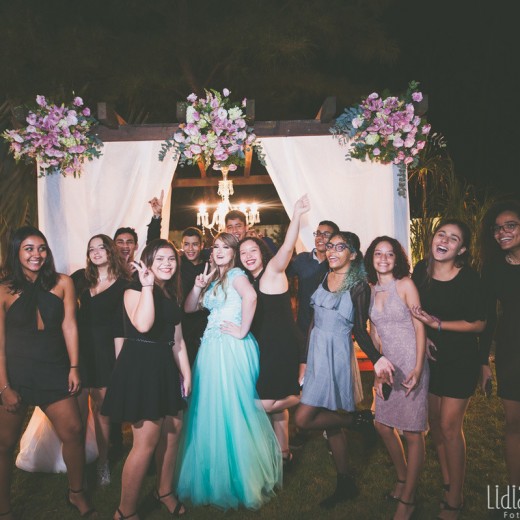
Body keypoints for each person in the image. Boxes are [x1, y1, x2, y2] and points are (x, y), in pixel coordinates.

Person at [176, 232, 282, 510]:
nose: (220, 250)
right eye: (216, 247)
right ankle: (217, 475)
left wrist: (243, 330)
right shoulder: (213, 278)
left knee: (235, 408)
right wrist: (198, 286)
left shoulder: (236, 274)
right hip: (211, 349)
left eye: (226, 247)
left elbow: (251, 297)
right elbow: (189, 308)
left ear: (234, 252)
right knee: (212, 409)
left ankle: (243, 478)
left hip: (231, 348)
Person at [0, 226, 97, 519]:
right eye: (29, 248)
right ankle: (3, 506)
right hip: (16, 374)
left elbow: (70, 326)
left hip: (54, 369)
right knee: (4, 444)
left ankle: (76, 493)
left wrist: (74, 367)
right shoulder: (2, 289)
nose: (37, 254)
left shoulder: (63, 282)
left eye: (41, 248)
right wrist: (4, 387)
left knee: (74, 431)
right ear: (16, 252)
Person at [294, 231, 395, 509]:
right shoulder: (324, 275)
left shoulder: (359, 286)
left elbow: (360, 329)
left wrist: (377, 358)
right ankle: (347, 473)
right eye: (330, 246)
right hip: (316, 353)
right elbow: (313, 322)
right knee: (328, 420)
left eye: (341, 247)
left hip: (336, 354)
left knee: (306, 419)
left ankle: (355, 424)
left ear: (353, 254)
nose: (332, 251)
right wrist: (305, 360)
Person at [102, 239, 191, 520]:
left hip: (165, 367)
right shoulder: (133, 290)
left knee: (173, 432)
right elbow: (143, 325)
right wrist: (148, 287)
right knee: (146, 442)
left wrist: (186, 372)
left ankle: (164, 491)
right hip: (141, 368)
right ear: (148, 262)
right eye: (160, 258)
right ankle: (125, 511)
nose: (167, 263)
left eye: (171, 259)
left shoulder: (171, 294)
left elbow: (177, 340)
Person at [411, 219, 486, 520]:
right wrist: (426, 335)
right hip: (431, 358)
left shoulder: (469, 279)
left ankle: (455, 497)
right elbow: (414, 311)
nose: (444, 240)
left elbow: (479, 323)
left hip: (460, 359)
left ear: (462, 249)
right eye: (441, 234)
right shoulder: (421, 270)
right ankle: (447, 481)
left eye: (453, 238)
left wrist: (438, 324)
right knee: (434, 422)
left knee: (450, 427)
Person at [238, 194, 309, 467]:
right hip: (263, 348)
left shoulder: (272, 272)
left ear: (262, 253)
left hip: (280, 347)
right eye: (243, 253)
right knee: (276, 406)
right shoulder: (249, 281)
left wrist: (296, 215)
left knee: (264, 404)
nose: (248, 256)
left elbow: (287, 249)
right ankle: (284, 453)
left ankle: (305, 397)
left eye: (252, 251)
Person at [365, 236, 428, 520]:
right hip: (388, 364)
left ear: (397, 258)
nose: (384, 258)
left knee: (413, 432)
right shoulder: (370, 289)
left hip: (411, 360)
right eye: (378, 253)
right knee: (381, 424)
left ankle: (408, 499)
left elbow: (419, 326)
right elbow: (375, 334)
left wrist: (418, 367)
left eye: (389, 254)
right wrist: (378, 373)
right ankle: (403, 478)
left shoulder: (405, 285)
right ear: (371, 258)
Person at [72, 234, 131, 486]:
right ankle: (77, 464)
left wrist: (120, 364)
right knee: (75, 415)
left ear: (111, 251)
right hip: (78, 352)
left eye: (101, 247)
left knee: (102, 411)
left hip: (106, 353)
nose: (96, 252)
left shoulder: (125, 284)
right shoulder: (79, 279)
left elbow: (123, 327)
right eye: (91, 249)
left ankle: (103, 462)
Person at [480, 200, 520, 493]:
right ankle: (515, 495)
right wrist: (483, 361)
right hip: (511, 350)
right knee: (514, 424)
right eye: (497, 228)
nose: (502, 232)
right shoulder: (493, 268)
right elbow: (489, 317)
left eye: (510, 225)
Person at [287, 219, 339, 339]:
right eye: (318, 233)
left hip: (329, 328)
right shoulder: (301, 259)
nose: (320, 237)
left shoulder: (337, 264)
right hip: (303, 326)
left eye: (326, 234)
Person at [179, 227, 208, 365]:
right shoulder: (177, 264)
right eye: (186, 244)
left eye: (195, 244)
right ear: (182, 245)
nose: (190, 248)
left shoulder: (209, 265)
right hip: (182, 325)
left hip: (203, 324)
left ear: (202, 245)